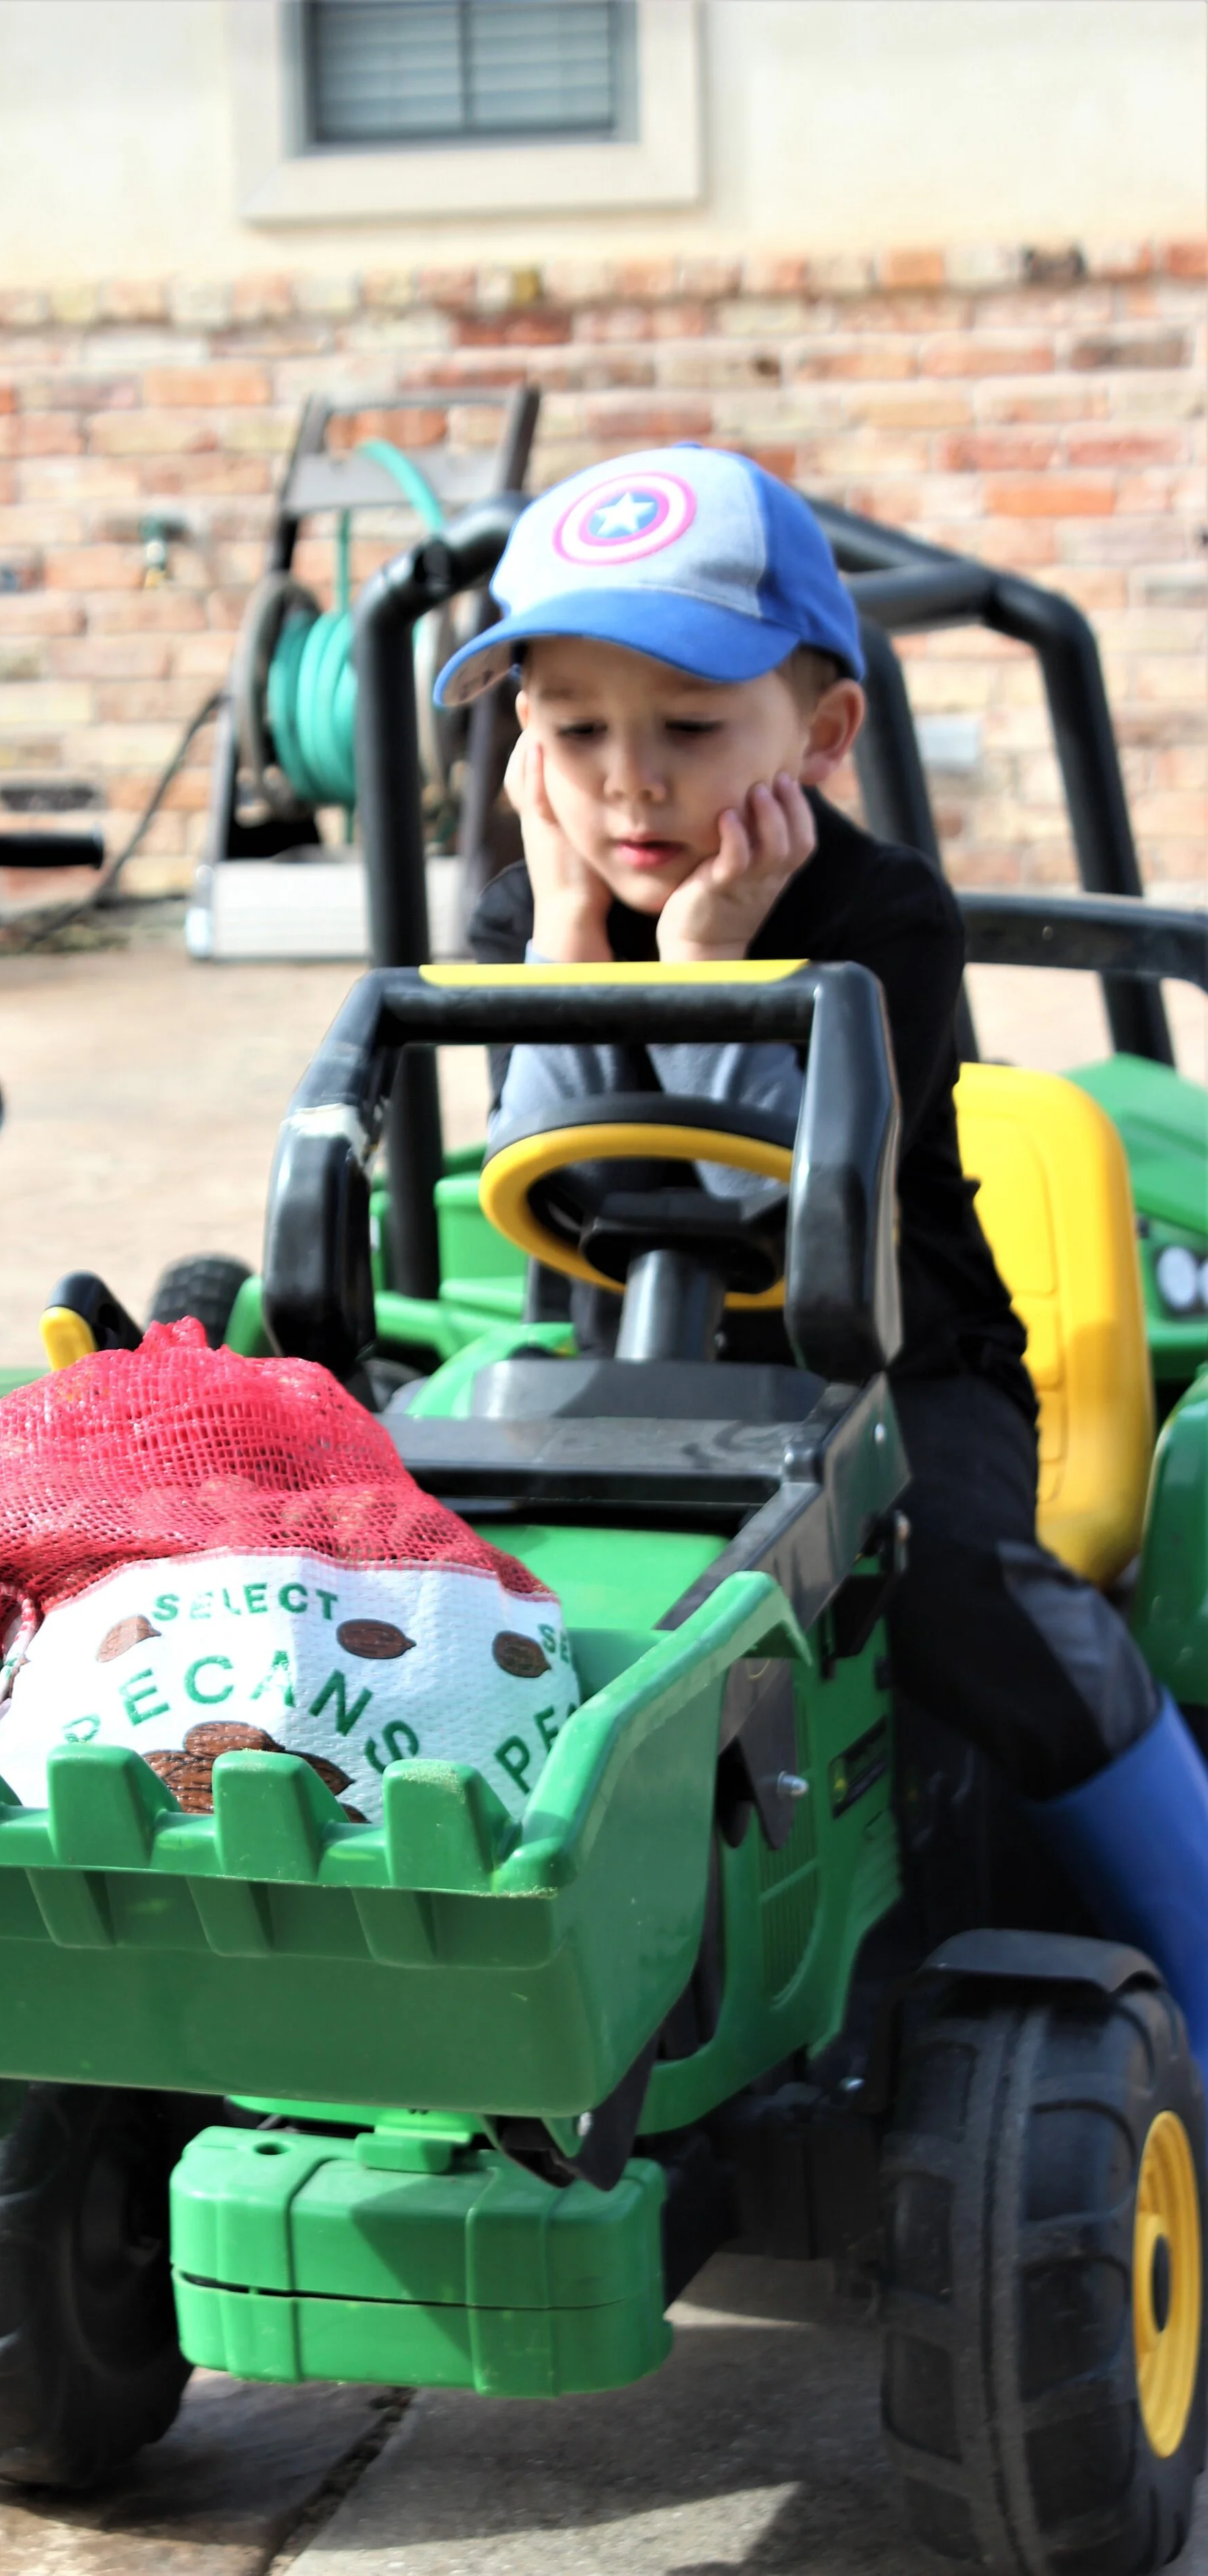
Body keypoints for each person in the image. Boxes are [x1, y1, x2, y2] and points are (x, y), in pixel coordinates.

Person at [433, 443, 1208, 2054]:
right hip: (627, 1374)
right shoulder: (528, 914)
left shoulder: (882, 920)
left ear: (823, 731)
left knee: (968, 1604)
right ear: (522, 742)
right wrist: (576, 944)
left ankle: (1192, 1960)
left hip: (896, 1360)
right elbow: (554, 1192)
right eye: (575, 730)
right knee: (466, 1587)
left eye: (690, 728)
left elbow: (781, 1216)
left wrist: (714, 964)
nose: (629, 783)